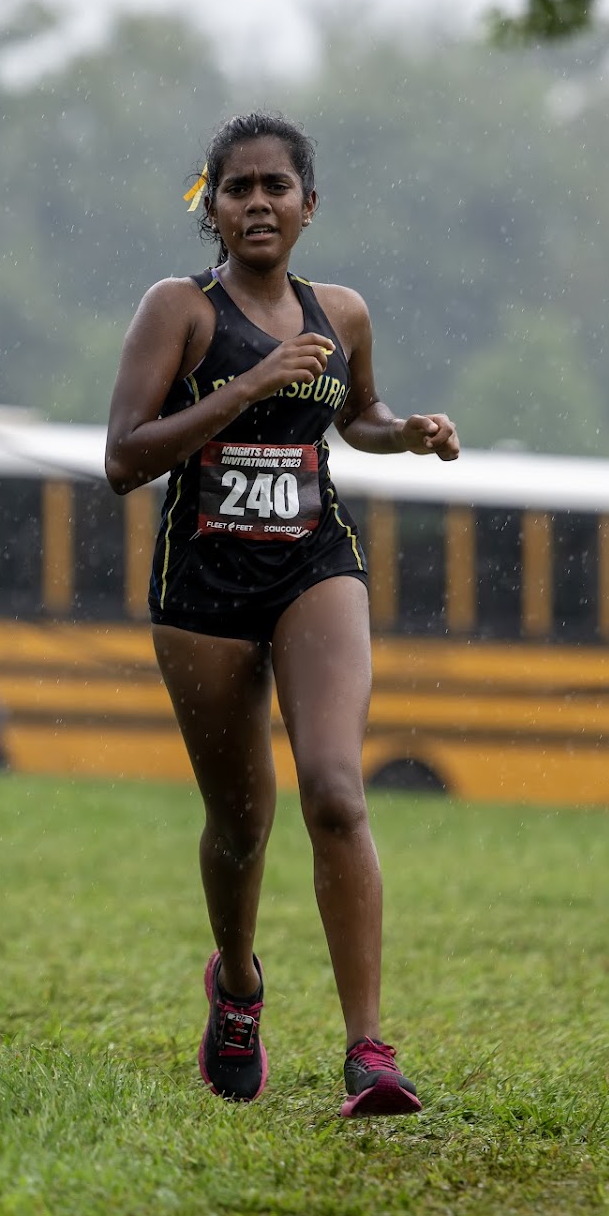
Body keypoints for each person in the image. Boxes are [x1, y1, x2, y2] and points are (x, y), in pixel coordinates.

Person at [104, 111, 459, 1116]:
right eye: (237, 187)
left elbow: (356, 415)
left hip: (313, 562)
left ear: (309, 206)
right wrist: (251, 382)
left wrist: (405, 431)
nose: (257, 202)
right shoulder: (180, 310)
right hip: (204, 585)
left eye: (276, 186)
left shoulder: (341, 312)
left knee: (337, 792)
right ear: (212, 207)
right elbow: (124, 458)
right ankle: (237, 984)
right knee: (240, 823)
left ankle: (369, 1052)